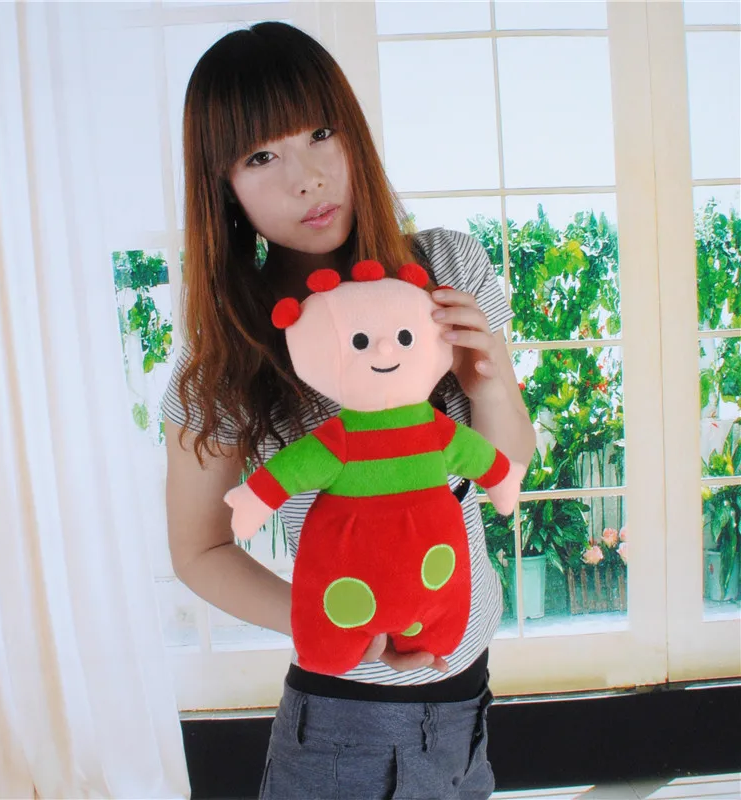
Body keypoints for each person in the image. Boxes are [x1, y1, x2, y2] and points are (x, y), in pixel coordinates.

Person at [162, 20, 535, 800]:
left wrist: (489, 382)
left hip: (470, 699)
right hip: (348, 726)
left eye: (319, 134)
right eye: (261, 157)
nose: (305, 179)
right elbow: (198, 550)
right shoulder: (229, 344)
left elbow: (509, 469)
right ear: (222, 185)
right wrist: (336, 629)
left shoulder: (446, 264)